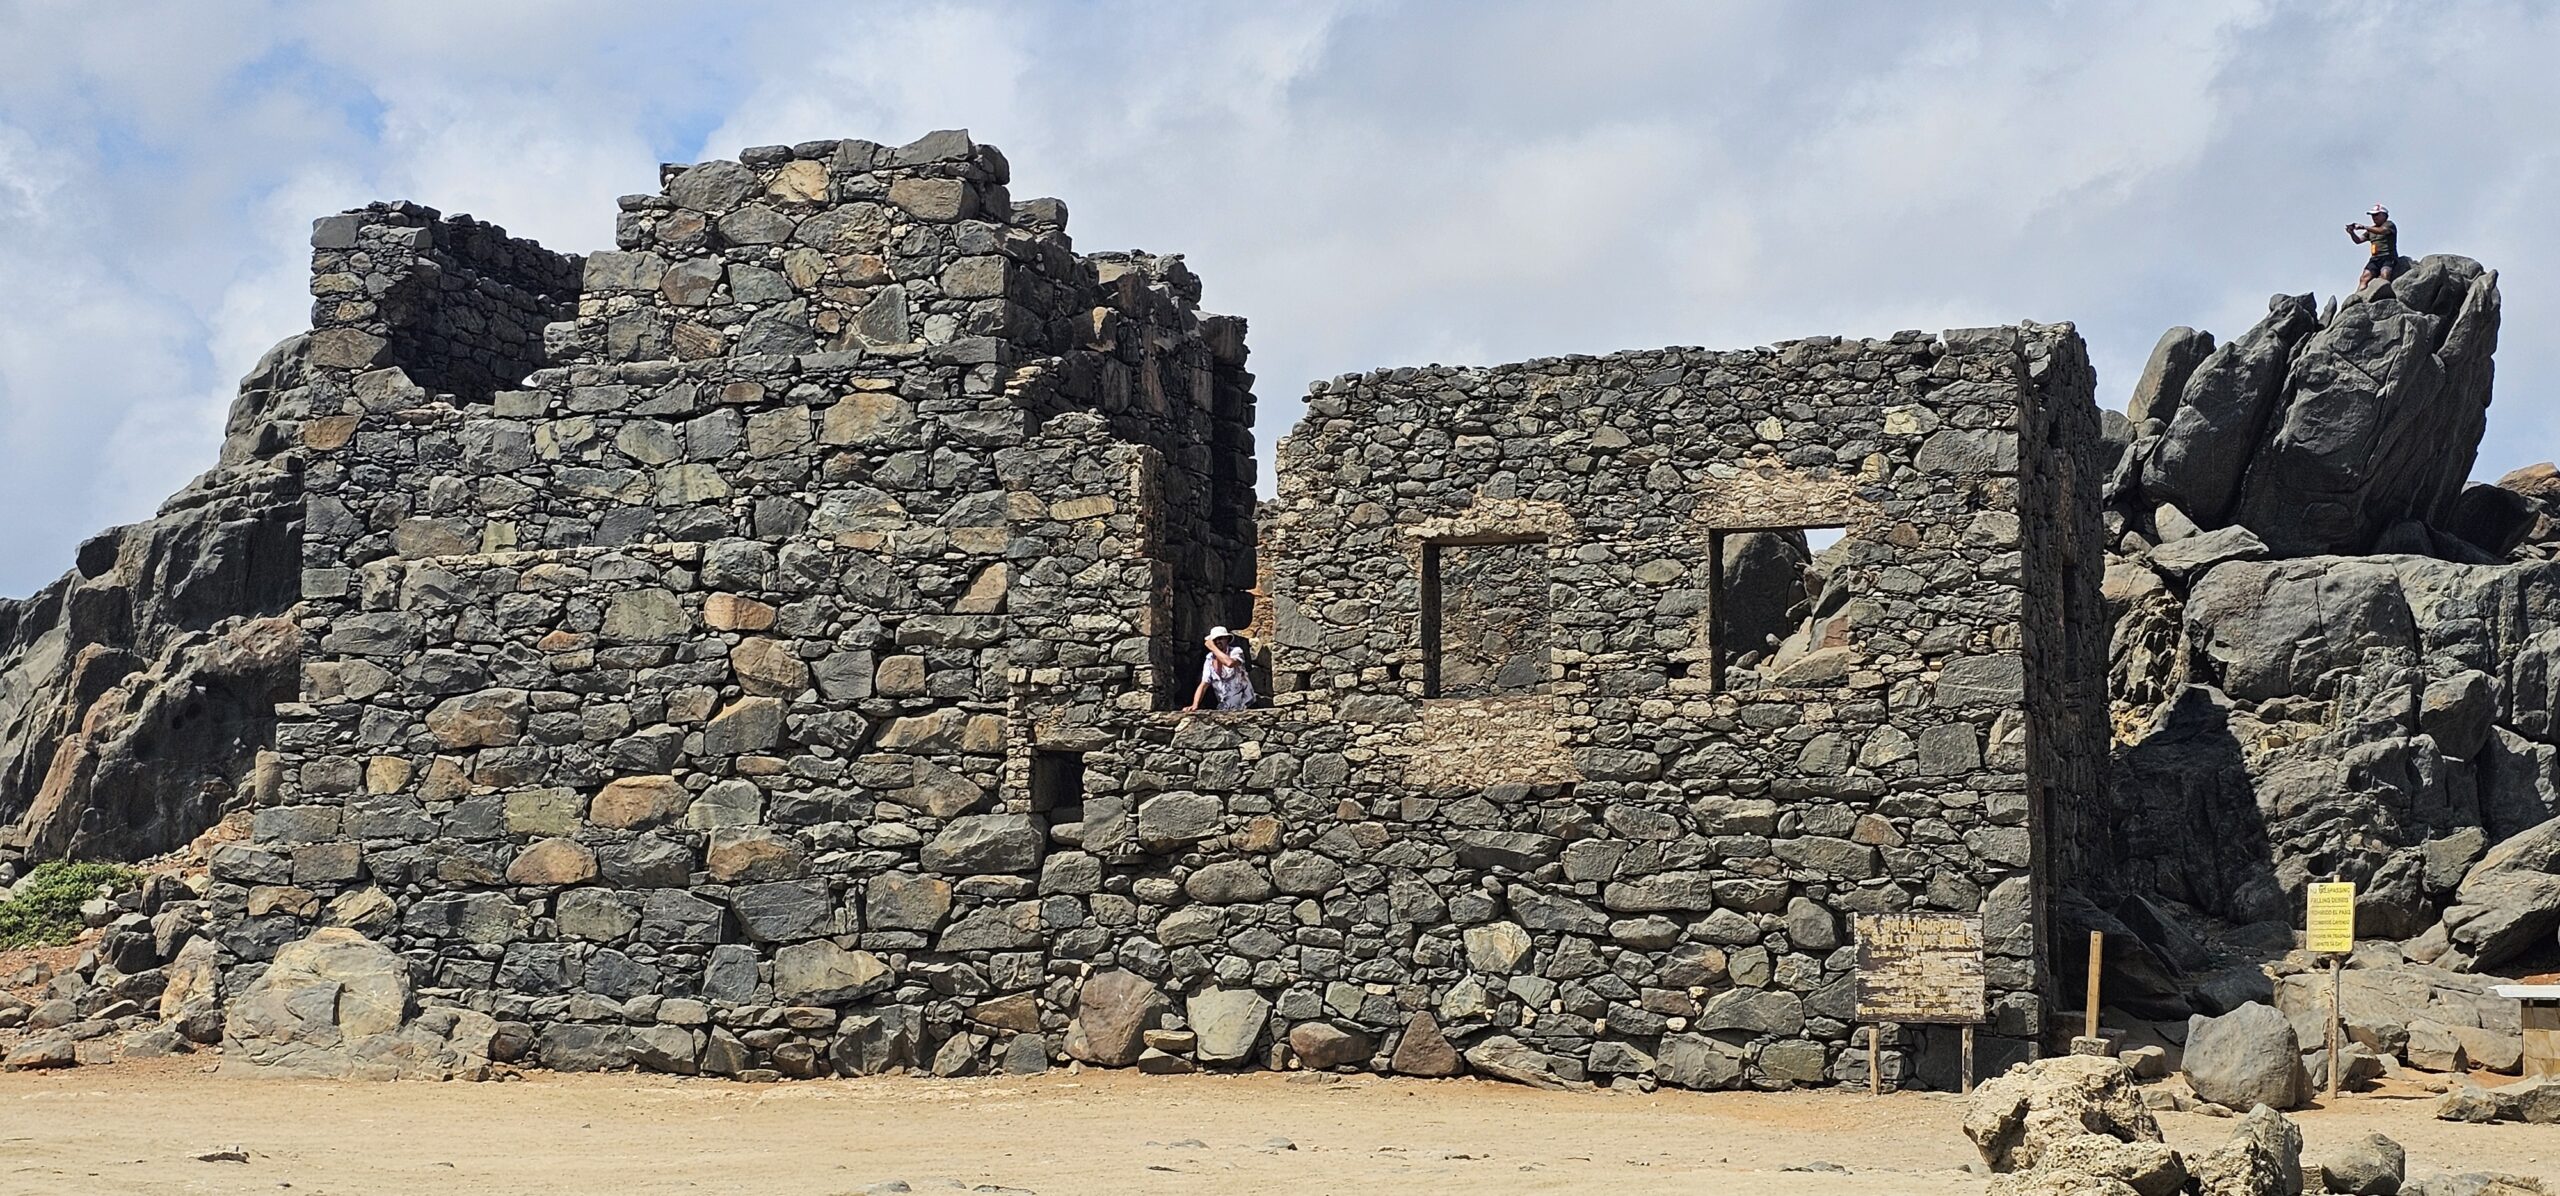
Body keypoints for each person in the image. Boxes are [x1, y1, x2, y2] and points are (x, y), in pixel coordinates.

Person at [1184, 626, 1257, 712]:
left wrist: (1213, 648)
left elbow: (1229, 663)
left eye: (1220, 638)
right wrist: (1195, 705)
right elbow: (1204, 684)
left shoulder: (1236, 651)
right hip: (1225, 707)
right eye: (1214, 640)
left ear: (1227, 639)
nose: (1217, 641)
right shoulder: (1209, 659)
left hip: (1245, 704)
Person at [2346, 203, 2399, 287]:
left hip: (2388, 257)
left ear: (2384, 215)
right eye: (2373, 215)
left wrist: (2364, 227)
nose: (2374, 217)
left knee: (2385, 274)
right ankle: (2361, 293)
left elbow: (2382, 231)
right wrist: (2351, 233)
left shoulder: (2389, 225)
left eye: (2376, 215)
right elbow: (2358, 240)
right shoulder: (2371, 230)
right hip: (2375, 259)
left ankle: (2385, 292)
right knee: (2364, 278)